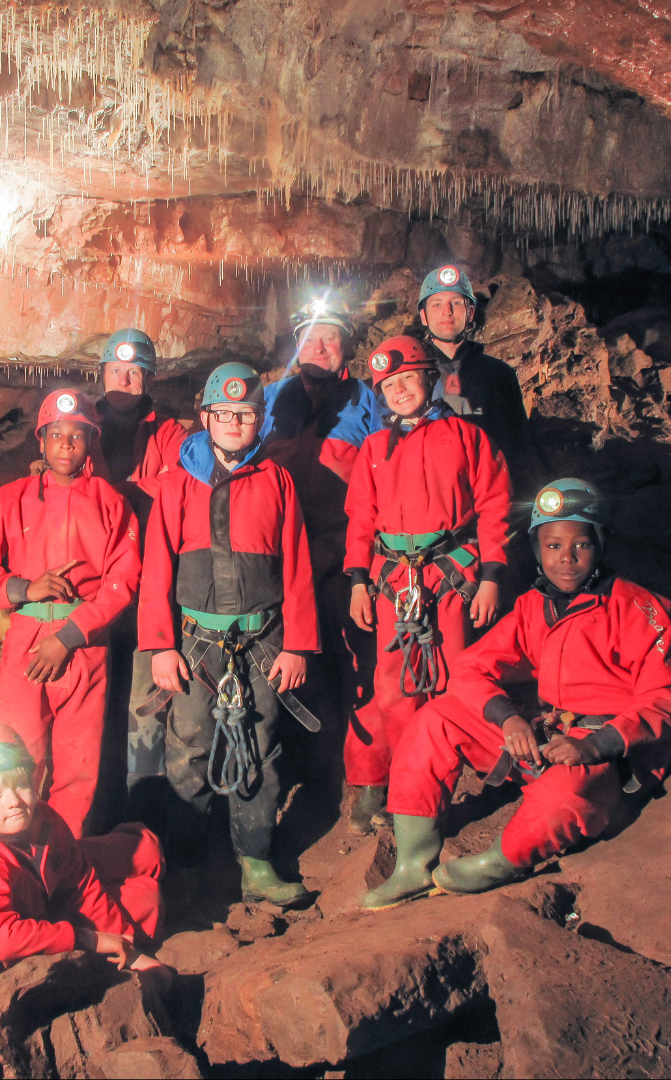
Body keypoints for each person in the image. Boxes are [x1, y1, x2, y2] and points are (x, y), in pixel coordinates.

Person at [360, 478, 671, 910]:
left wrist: (593, 745)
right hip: (546, 737)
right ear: (537, 550)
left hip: (606, 755)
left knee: (559, 800)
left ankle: (498, 862)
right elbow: (470, 668)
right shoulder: (535, 606)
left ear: (601, 545)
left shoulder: (641, 609)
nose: (566, 559)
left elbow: (664, 701)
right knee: (435, 719)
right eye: (552, 546)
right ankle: (411, 866)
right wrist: (508, 718)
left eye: (581, 545)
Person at [139, 362, 320, 907]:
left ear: (260, 420)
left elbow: (297, 566)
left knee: (261, 748)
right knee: (188, 745)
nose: (236, 423)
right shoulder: (176, 485)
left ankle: (256, 860)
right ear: (205, 418)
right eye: (225, 414)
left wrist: (298, 644)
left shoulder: (277, 480)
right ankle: (189, 859)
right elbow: (155, 571)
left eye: (247, 414)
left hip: (262, 640)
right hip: (195, 644)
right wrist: (160, 646)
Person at [343, 336, 512, 835]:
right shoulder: (373, 448)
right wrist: (357, 580)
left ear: (428, 378)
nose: (398, 391)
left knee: (454, 681)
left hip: (451, 578)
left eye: (406, 379)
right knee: (391, 686)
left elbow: (495, 507)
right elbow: (360, 521)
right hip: (395, 581)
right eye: (388, 385)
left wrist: (491, 577)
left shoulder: (467, 436)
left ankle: (434, 786)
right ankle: (383, 783)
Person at [0, 389, 140, 838]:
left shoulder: (111, 503)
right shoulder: (8, 500)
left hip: (84, 644)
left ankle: (62, 856)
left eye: (77, 435)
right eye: (56, 434)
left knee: (79, 765)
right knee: (16, 755)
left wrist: (70, 636)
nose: (65, 444)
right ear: (41, 441)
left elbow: (124, 582)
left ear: (90, 441)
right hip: (27, 637)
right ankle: (10, 854)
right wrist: (21, 588)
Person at [260, 297, 385, 804]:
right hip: (276, 561)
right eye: (311, 338)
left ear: (346, 350)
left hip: (344, 557)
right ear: (296, 345)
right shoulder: (266, 398)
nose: (320, 346)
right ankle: (305, 772)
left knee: (359, 662)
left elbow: (390, 475)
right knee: (285, 665)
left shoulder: (370, 401)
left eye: (331, 339)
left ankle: (368, 776)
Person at [0, 723, 166, 969]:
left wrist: (123, 943)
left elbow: (81, 881)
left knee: (147, 848)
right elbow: (6, 939)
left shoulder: (42, 817)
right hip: (28, 928)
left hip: (47, 892)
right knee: (147, 899)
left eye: (20, 785)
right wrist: (90, 940)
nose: (13, 801)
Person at [93, 329, 188, 822]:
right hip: (94, 586)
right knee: (93, 702)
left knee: (144, 705)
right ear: (101, 373)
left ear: (148, 378)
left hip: (152, 583)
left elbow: (184, 479)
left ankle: (141, 813)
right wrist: (136, 491)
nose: (125, 381)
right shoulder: (79, 424)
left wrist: (112, 492)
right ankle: (95, 806)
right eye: (116, 371)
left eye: (135, 373)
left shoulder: (168, 429)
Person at [418, 265, 532, 476]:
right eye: (436, 304)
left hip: (490, 489)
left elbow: (520, 444)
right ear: (423, 316)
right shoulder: (411, 378)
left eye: (456, 303)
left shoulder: (500, 374)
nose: (447, 311)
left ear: (470, 313)